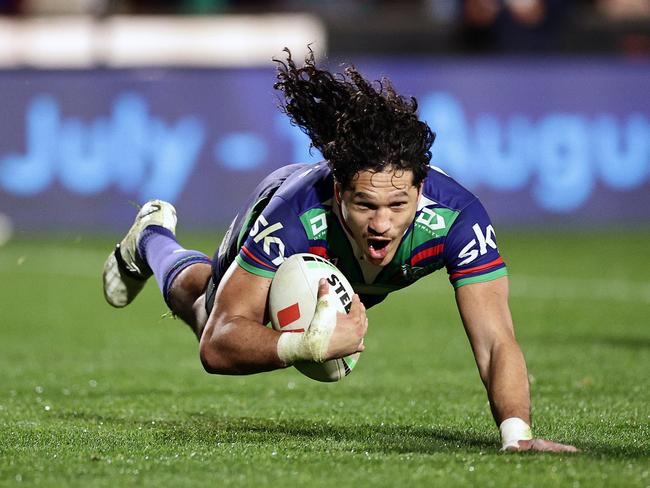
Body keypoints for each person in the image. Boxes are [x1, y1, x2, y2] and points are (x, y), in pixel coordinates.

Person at [102, 47, 578, 453]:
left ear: (420, 189)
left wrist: (517, 435)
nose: (383, 224)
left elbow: (496, 340)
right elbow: (218, 346)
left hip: (338, 269)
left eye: (399, 203)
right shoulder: (291, 218)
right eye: (365, 204)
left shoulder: (459, 219)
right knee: (208, 310)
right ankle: (152, 238)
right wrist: (302, 346)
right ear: (338, 192)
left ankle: (152, 241)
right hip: (282, 216)